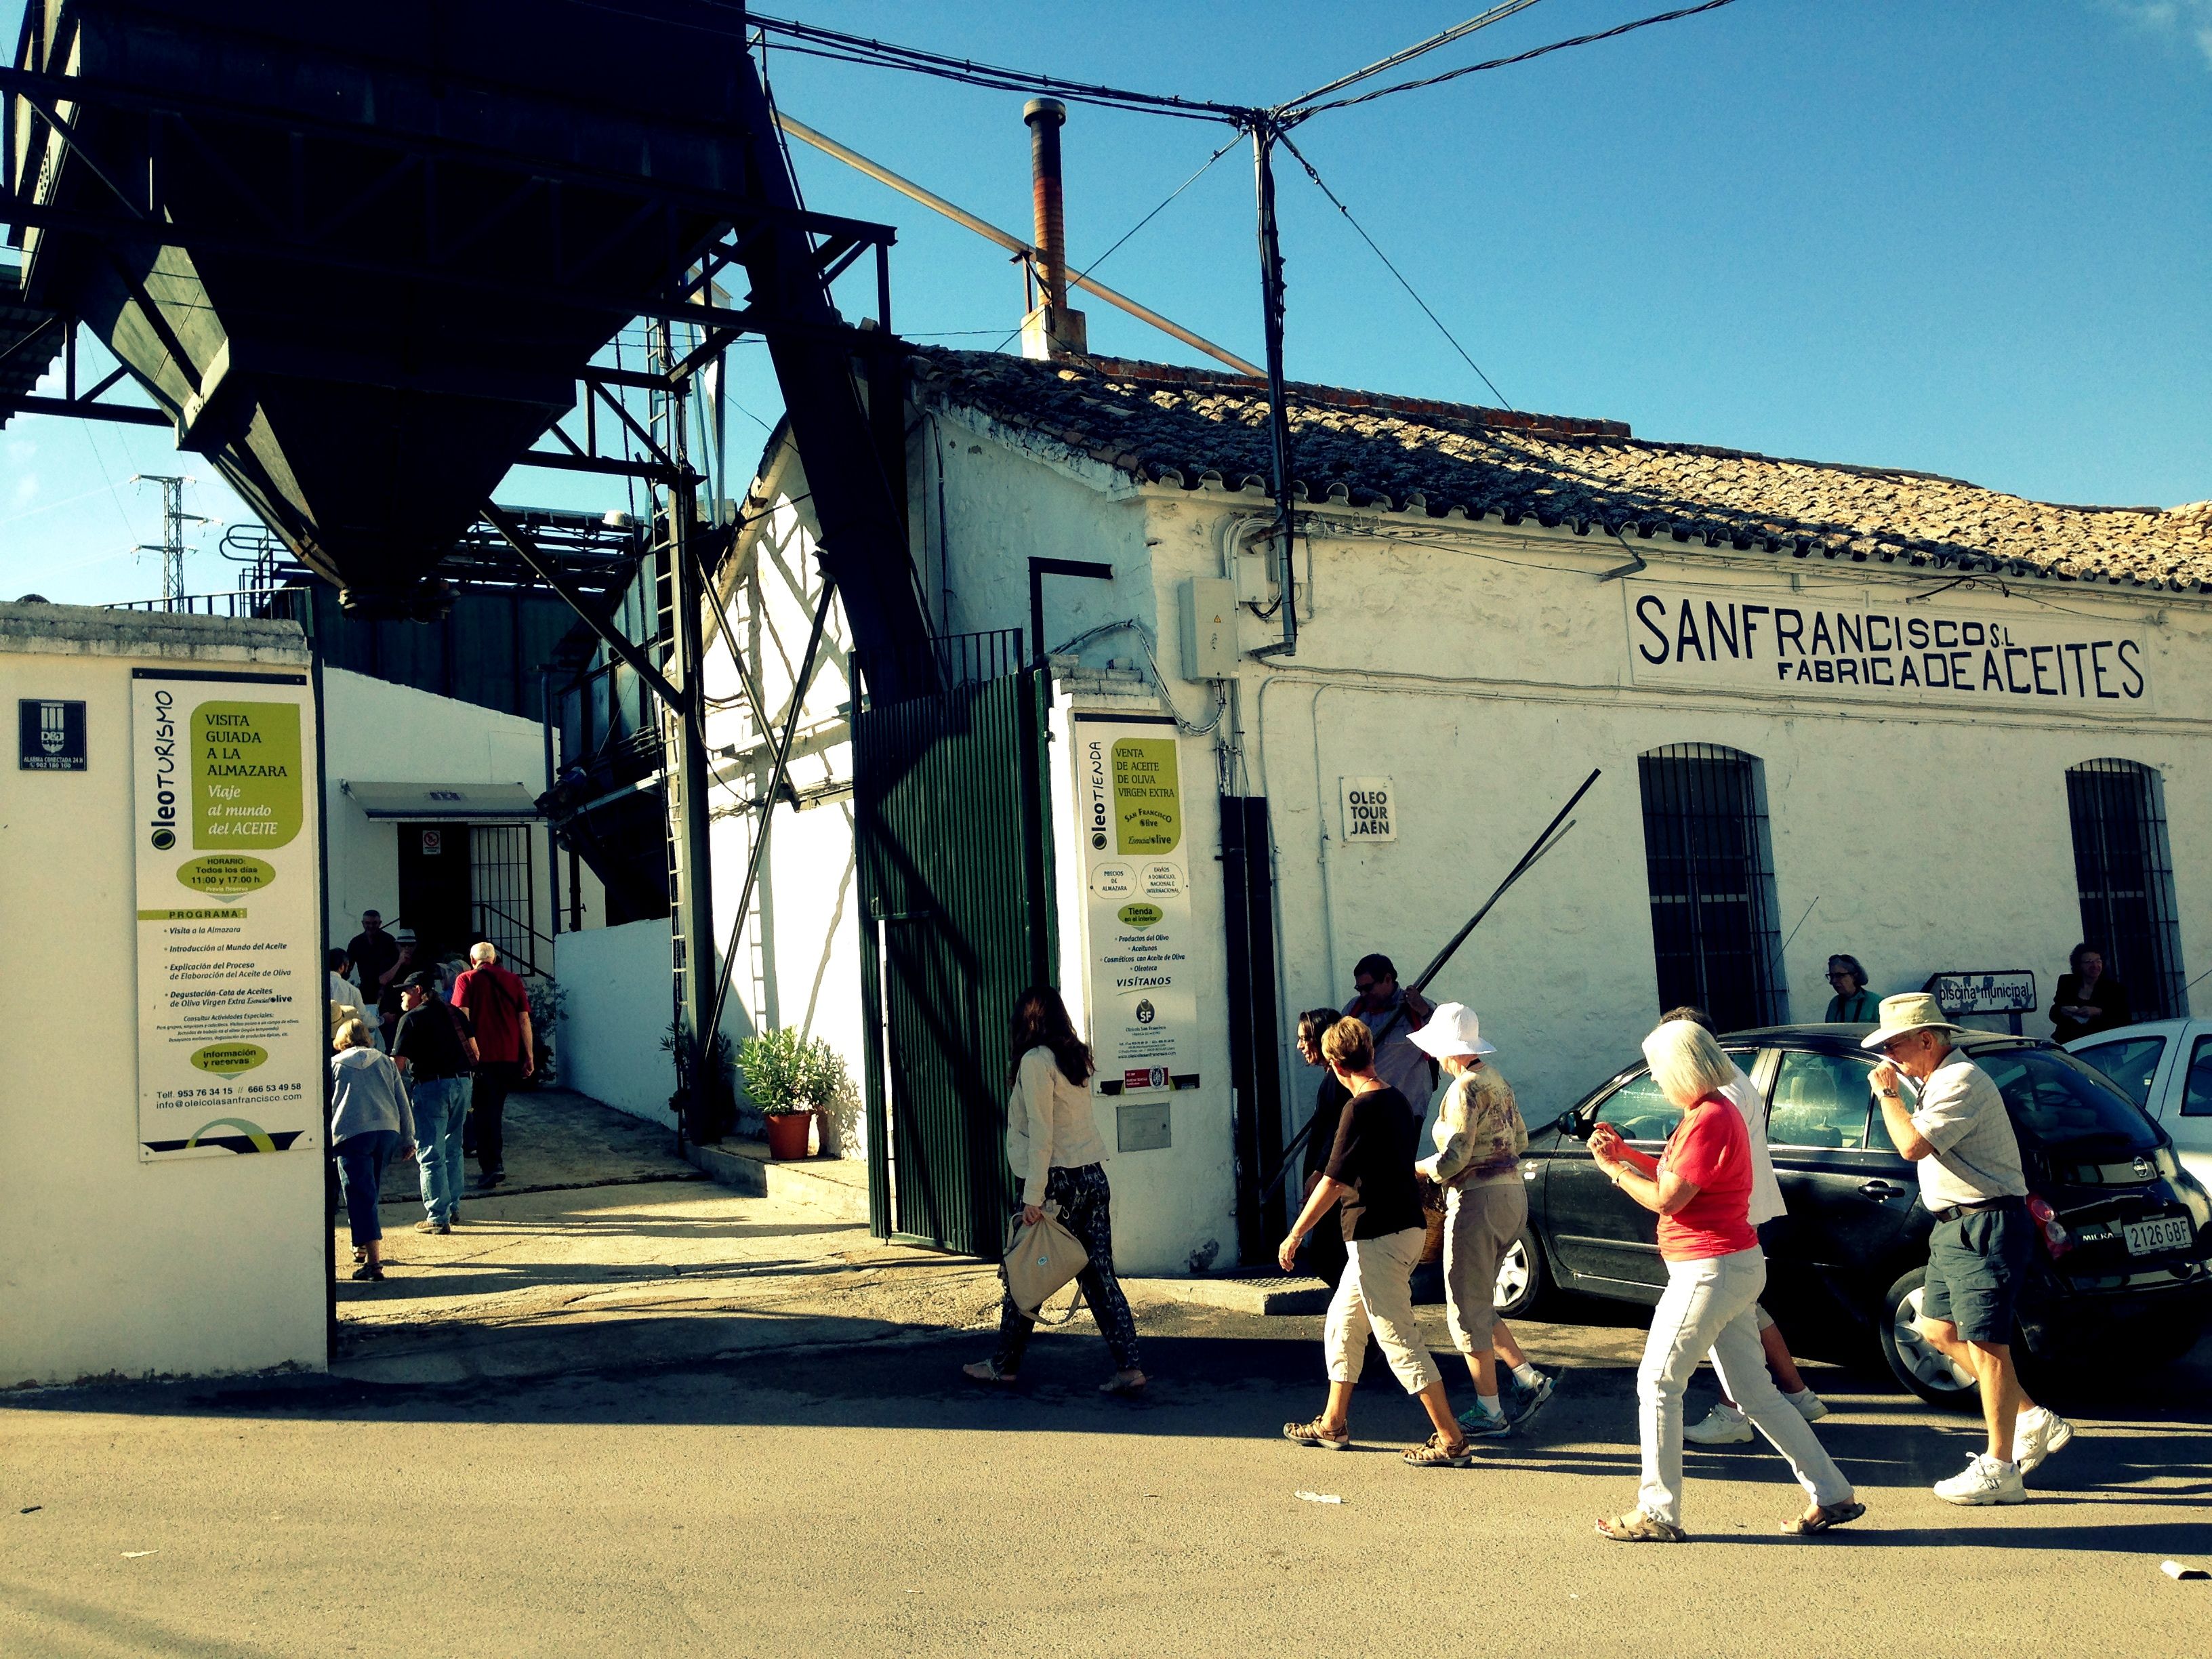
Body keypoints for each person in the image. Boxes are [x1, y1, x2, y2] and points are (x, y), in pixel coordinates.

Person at [1589, 1019, 1861, 1540]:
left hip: (1707, 1270)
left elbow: (1668, 1198)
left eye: (1659, 1072)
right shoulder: (1714, 1110)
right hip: (1731, 1265)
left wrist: (1614, 1172)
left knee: (1658, 1383)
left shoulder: (1709, 1116)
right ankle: (1833, 1493)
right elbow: (1682, 1177)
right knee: (1756, 1395)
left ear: (1680, 1069)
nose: (1657, 1082)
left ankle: (1658, 1512)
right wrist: (1626, 1155)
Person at [1867, 992, 2074, 1504]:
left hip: (1984, 1223)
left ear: (1927, 1039)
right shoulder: (1937, 1079)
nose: (1890, 1057)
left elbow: (1912, 1146)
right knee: (1937, 1330)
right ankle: (2031, 1418)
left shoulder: (1960, 1081)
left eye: (1895, 1045)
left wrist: (1889, 1095)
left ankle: (2001, 1469)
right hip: (1954, 1226)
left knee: (1988, 1345)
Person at [1279, 1017, 1472, 1467]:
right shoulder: (1398, 1101)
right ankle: (1333, 1423)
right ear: (1369, 1052)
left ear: (1334, 1064)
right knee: (1344, 1322)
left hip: (1377, 1235)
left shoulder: (1360, 1109)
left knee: (1396, 1335)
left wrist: (1296, 1233)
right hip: (1402, 1229)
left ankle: (1452, 1440)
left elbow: (1332, 1181)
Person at [1660, 1006, 1829, 1444]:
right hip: (1741, 1214)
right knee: (1746, 1310)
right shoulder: (1728, 1080)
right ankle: (1796, 1393)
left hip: (1728, 1221)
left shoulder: (1719, 1094)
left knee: (1722, 1320)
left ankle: (1735, 1414)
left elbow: (1701, 1173)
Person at [964, 987, 1145, 1394]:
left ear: (1026, 1021)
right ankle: (1130, 1368)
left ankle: (1004, 1366)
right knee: (1100, 1277)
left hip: (1055, 1184)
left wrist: (1032, 1196)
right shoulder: (1074, 1057)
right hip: (1093, 1177)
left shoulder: (1035, 1061)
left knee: (1026, 1272)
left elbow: (1042, 1134)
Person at [1409, 1004, 1557, 1438]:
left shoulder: (1463, 1090)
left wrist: (1416, 1169)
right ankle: (1527, 1378)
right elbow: (1523, 1137)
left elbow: (1453, 1159)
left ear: (1446, 1049)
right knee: (1479, 1301)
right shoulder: (1497, 1081)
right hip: (1512, 1196)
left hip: (1478, 1200)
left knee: (1464, 1307)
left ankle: (1489, 1411)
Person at [392, 970, 477, 1235]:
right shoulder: (455, 1013)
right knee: (454, 1148)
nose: (402, 996)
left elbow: (397, 1065)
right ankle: (453, 1208)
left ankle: (437, 1217)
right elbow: (476, 1052)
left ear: (419, 990)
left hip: (431, 1087)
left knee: (430, 1152)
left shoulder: (411, 1019)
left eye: (405, 991)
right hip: (463, 1083)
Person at [330, 1018, 414, 1282]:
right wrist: (409, 1137)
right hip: (386, 1131)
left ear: (341, 1040)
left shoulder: (334, 1065)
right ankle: (362, 1246)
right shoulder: (385, 1062)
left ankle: (374, 1264)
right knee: (370, 1191)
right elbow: (402, 1099)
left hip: (352, 1133)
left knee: (359, 1195)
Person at [452, 942, 535, 1191]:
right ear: (495, 958)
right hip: (509, 1057)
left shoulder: (465, 979)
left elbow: (460, 1017)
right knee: (495, 1110)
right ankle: (494, 1163)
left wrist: (463, 1053)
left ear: (472, 958)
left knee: (481, 1113)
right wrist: (529, 1055)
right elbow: (524, 1020)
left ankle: (492, 1166)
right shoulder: (513, 980)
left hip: (480, 1058)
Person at [1294, 1007, 1352, 1290]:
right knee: (1327, 1256)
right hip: (1329, 1177)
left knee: (1327, 1256)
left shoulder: (1337, 1083)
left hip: (1333, 1181)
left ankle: (1365, 1325)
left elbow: (1336, 1135)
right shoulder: (1331, 1080)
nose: (1300, 1046)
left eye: (1306, 1039)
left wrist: (1318, 1174)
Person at [1343, 953, 1437, 1126]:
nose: (1363, 994)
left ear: (1387, 979)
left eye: (1368, 988)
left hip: (1405, 1109)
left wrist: (1423, 1010)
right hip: (1364, 1106)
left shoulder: (1416, 1007)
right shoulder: (1354, 1010)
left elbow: (1445, 1038)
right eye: (1359, 989)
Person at [2049, 944, 2131, 1044]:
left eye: (2098, 961)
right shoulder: (2067, 982)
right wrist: (2063, 1011)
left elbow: (2125, 1019)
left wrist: (2098, 1012)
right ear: (2079, 965)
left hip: (2101, 1045)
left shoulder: (2114, 988)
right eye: (2089, 962)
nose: (2095, 966)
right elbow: (2054, 1013)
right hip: (2070, 1043)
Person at [375, 928, 420, 1050]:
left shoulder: (420, 962)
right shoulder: (389, 960)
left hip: (413, 1012)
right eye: (403, 945)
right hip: (392, 1013)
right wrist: (399, 962)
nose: (406, 948)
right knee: (393, 1047)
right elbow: (383, 980)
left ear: (415, 946)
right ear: (397, 945)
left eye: (410, 945)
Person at [1823, 956, 1878, 1024]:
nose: (1834, 981)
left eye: (1839, 976)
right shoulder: (1835, 1003)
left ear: (1855, 976)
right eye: (1832, 976)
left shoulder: (1876, 1002)